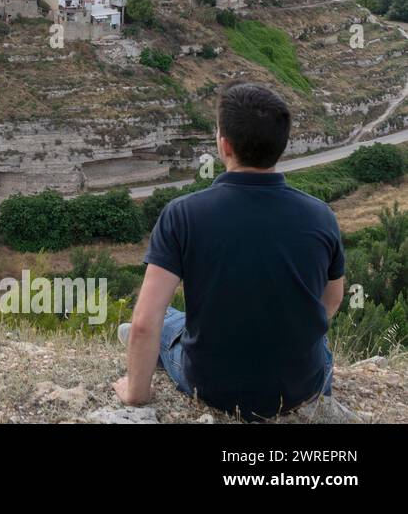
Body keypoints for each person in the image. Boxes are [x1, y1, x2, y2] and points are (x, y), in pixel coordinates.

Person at [113, 82, 345, 420]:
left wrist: (135, 393)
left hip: (212, 386)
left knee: (166, 324)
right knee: (315, 342)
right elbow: (332, 300)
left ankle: (144, 349)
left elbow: (146, 320)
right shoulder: (321, 215)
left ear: (224, 145)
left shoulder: (182, 214)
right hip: (302, 387)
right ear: (282, 146)